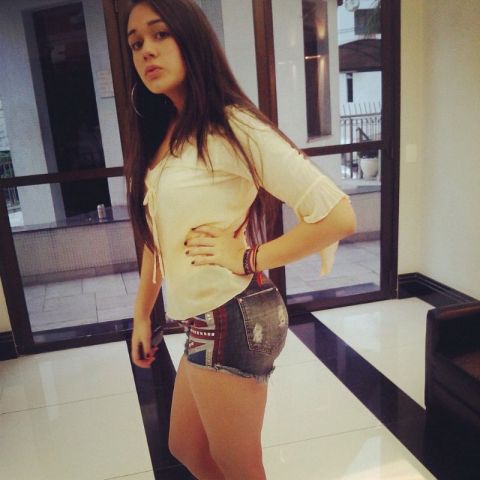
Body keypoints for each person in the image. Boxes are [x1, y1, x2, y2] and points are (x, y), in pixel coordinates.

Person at [125, 1, 356, 478]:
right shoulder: (167, 133)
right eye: (136, 43)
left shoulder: (231, 126)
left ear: (192, 39)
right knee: (186, 446)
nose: (146, 50)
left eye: (160, 34)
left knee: (239, 465)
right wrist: (142, 313)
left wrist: (248, 256)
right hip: (202, 318)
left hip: (231, 316)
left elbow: (338, 216)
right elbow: (157, 238)